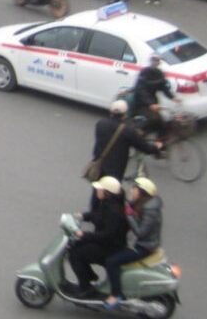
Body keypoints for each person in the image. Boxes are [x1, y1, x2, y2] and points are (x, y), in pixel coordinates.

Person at [103, 178, 163, 308]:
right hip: (137, 242)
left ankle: (116, 294)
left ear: (142, 193)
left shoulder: (150, 211)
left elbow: (141, 233)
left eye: (134, 189)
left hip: (143, 247)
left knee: (111, 262)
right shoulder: (141, 203)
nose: (132, 190)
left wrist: (129, 215)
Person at [68, 176, 128, 296]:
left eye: (99, 189)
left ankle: (85, 287)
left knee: (76, 254)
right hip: (106, 244)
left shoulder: (114, 211)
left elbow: (107, 235)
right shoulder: (108, 204)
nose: (97, 191)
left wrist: (85, 235)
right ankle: (89, 277)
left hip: (111, 248)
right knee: (75, 245)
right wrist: (83, 216)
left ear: (107, 192)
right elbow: (97, 216)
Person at [92, 100, 162, 181]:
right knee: (112, 191)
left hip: (99, 165)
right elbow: (145, 147)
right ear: (125, 113)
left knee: (98, 190)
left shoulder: (100, 124)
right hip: (115, 169)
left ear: (111, 111)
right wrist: (156, 147)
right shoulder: (128, 130)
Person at [128, 55, 176, 135]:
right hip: (141, 103)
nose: (155, 62)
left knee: (162, 123)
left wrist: (172, 97)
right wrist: (150, 104)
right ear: (151, 61)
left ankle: (160, 141)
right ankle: (139, 132)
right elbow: (140, 90)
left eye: (157, 61)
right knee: (154, 119)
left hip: (153, 102)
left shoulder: (159, 73)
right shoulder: (144, 72)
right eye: (154, 60)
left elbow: (163, 87)